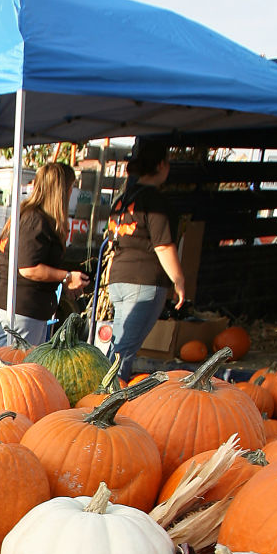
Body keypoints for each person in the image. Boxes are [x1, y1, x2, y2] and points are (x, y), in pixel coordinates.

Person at [0, 162, 87, 346]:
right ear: (62, 190)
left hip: (17, 304)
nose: (72, 193)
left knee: (17, 365)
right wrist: (67, 276)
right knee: (16, 368)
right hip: (19, 306)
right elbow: (28, 268)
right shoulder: (35, 219)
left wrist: (62, 280)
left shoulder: (29, 216)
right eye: (71, 187)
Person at [106, 137, 185, 378]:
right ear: (161, 165)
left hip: (119, 278)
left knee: (118, 347)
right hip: (143, 280)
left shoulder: (122, 199)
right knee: (124, 351)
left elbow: (111, 241)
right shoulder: (154, 201)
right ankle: (106, 401)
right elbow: (163, 246)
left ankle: (102, 395)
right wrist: (179, 280)